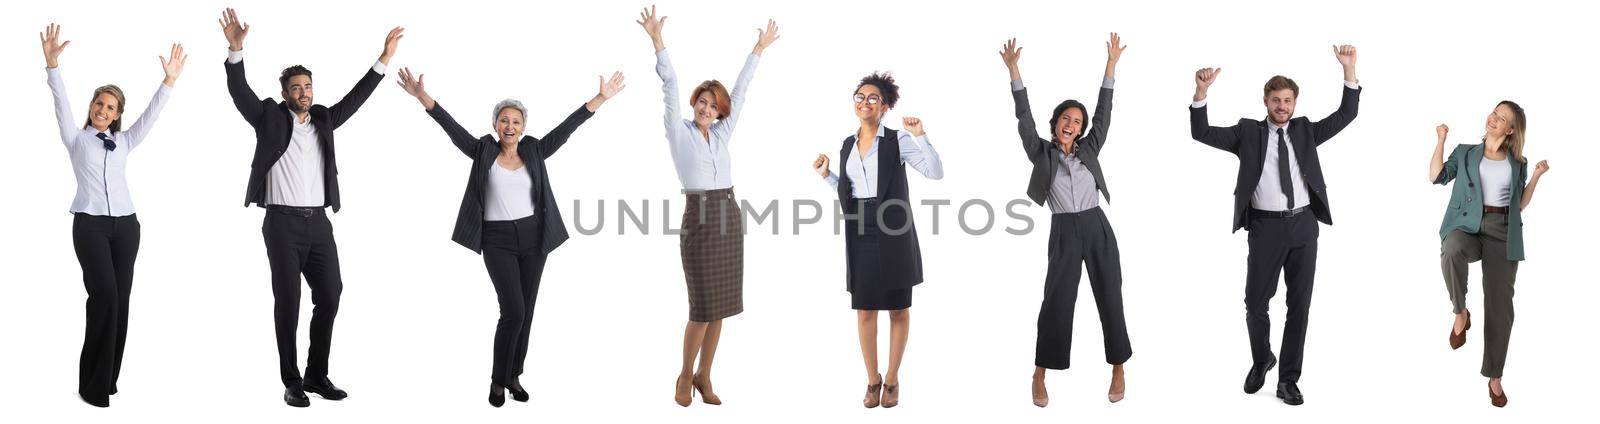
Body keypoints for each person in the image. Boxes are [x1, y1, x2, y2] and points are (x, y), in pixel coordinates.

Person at [395, 65, 624, 407]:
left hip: (533, 238)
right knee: (512, 311)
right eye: (504, 120)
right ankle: (497, 380)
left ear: (523, 127)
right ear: (495, 125)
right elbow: (451, 127)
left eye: (516, 121)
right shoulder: (484, 151)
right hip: (497, 239)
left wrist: (600, 99)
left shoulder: (534, 149)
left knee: (526, 311)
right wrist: (421, 97)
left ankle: (514, 375)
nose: (510, 126)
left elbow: (566, 130)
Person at [218, 8, 402, 407]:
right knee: (288, 302)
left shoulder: (323, 120)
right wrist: (235, 52)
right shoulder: (268, 116)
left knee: (331, 295)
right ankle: (292, 381)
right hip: (281, 224)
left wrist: (383, 59)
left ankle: (318, 375)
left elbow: (356, 98)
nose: (304, 92)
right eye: (297, 88)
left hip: (319, 225)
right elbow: (240, 94)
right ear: (285, 92)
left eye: (308, 87)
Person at [1187, 45, 1361, 406]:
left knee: (1299, 305)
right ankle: (1262, 358)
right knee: (1255, 303)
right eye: (1276, 100)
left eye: (1288, 100)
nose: (1282, 106)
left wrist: (1349, 70)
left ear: (1295, 103)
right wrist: (1201, 93)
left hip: (1303, 227)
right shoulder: (1247, 133)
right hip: (1265, 229)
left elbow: (1346, 113)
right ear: (1265, 101)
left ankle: (1288, 379)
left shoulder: (1305, 131)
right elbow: (1201, 133)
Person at [635, 5, 779, 407]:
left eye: (714, 105)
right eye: (703, 101)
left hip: (729, 216)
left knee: (721, 308)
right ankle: (684, 375)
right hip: (698, 219)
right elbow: (670, 86)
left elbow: (741, 91)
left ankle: (705, 375)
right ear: (695, 101)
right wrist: (657, 41)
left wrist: (759, 49)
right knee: (701, 307)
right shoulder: (678, 133)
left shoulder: (722, 133)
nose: (707, 108)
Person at [41, 23, 185, 408]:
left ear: (118, 113)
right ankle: (91, 386)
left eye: (111, 107)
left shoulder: (124, 141)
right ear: (91, 107)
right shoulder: (76, 138)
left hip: (127, 227)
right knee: (103, 295)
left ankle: (108, 379)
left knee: (121, 300)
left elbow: (153, 115)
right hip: (89, 224)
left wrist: (168, 82)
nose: (103, 110)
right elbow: (60, 102)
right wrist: (52, 65)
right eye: (98, 104)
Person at [1000, 33, 1131, 407]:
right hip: (1063, 231)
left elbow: (1104, 111)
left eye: (1077, 120)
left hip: (1097, 226)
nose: (1071, 123)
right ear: (1056, 122)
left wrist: (1111, 65)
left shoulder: (1090, 147)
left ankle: (1118, 366)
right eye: (1066, 118)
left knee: (1110, 295)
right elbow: (1023, 118)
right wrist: (1014, 71)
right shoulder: (1041, 153)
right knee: (1056, 301)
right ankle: (1040, 374)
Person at [811, 72, 943, 409]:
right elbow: (850, 191)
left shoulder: (897, 140)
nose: (864, 102)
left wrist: (921, 136)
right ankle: (873, 380)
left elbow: (935, 172)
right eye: (860, 96)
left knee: (898, 309)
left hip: (895, 229)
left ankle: (893, 378)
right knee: (865, 309)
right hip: (860, 229)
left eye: (873, 98)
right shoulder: (846, 145)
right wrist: (828, 176)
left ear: (884, 107)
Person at [1429, 102, 1548, 407]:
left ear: (1511, 130)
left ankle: (1495, 376)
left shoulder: (1517, 162)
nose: (1494, 119)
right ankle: (1460, 312)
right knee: (1451, 247)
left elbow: (1518, 204)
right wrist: (1441, 140)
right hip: (1466, 224)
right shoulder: (1466, 151)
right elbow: (1435, 176)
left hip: (1502, 231)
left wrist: (1535, 176)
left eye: (1503, 118)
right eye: (1495, 113)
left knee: (1500, 306)